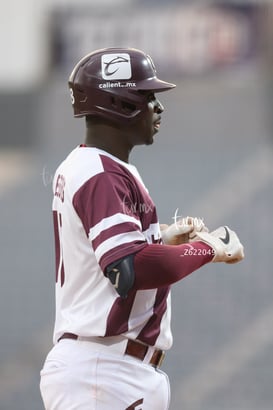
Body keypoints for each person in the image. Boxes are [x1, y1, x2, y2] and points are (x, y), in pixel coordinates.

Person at [40, 47, 244, 410]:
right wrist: (208, 248)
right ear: (121, 103)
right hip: (103, 370)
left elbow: (103, 258)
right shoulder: (100, 172)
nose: (158, 108)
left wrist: (158, 238)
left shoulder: (91, 165)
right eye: (148, 97)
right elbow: (127, 269)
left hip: (104, 370)